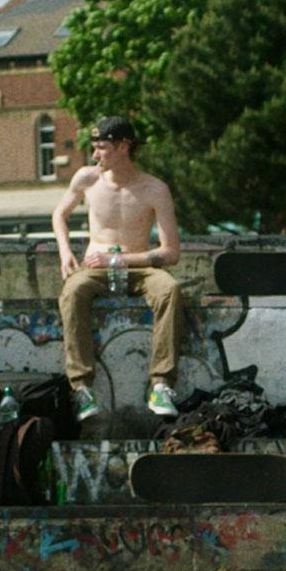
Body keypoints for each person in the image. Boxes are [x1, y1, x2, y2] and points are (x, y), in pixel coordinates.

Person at [52, 116, 184, 420]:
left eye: (103, 148)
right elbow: (59, 214)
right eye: (95, 148)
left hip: (137, 264)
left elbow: (171, 252)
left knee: (170, 290)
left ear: (124, 146)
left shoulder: (154, 189)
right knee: (72, 291)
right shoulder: (87, 179)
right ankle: (82, 388)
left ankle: (161, 384)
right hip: (94, 266)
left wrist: (119, 260)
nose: (96, 155)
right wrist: (64, 252)